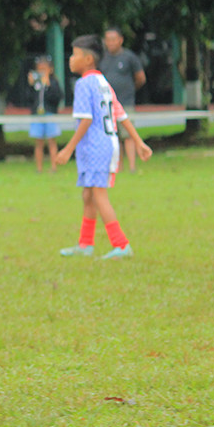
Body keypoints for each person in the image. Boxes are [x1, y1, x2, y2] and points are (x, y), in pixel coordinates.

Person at [55, 35, 153, 259]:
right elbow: (120, 114)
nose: (70, 59)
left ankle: (121, 245)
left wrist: (68, 148)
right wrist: (138, 142)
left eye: (74, 54)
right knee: (88, 194)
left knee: (99, 195)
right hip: (106, 145)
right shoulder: (102, 82)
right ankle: (85, 244)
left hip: (96, 147)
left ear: (88, 59)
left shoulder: (83, 84)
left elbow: (86, 120)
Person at [100, 27, 146, 172]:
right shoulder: (102, 58)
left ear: (120, 40)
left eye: (113, 39)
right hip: (108, 104)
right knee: (114, 136)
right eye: (108, 40)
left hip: (125, 102)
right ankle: (117, 167)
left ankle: (132, 167)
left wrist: (129, 89)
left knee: (128, 135)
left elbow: (140, 78)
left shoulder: (129, 57)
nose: (111, 43)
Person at [27, 55, 62, 173]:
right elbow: (29, 98)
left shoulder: (53, 82)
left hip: (49, 114)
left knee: (51, 141)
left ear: (50, 69)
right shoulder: (36, 84)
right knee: (38, 142)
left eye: (44, 69)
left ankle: (54, 166)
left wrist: (48, 85)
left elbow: (57, 97)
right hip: (37, 115)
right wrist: (31, 85)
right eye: (39, 69)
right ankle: (39, 168)